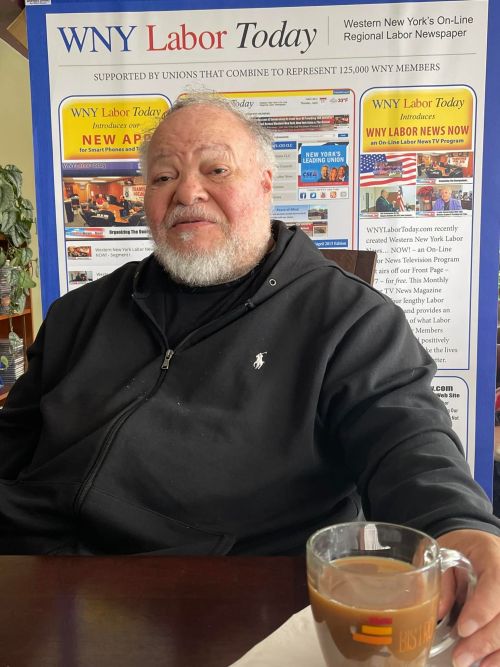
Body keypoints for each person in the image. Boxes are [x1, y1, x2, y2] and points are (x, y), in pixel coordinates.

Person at [1, 92, 500, 665]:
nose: (187, 192)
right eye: (164, 176)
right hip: (30, 572)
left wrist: (459, 526)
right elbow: (12, 440)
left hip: (205, 608)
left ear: (265, 184)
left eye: (216, 169)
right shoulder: (82, 311)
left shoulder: (349, 320)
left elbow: (408, 442)